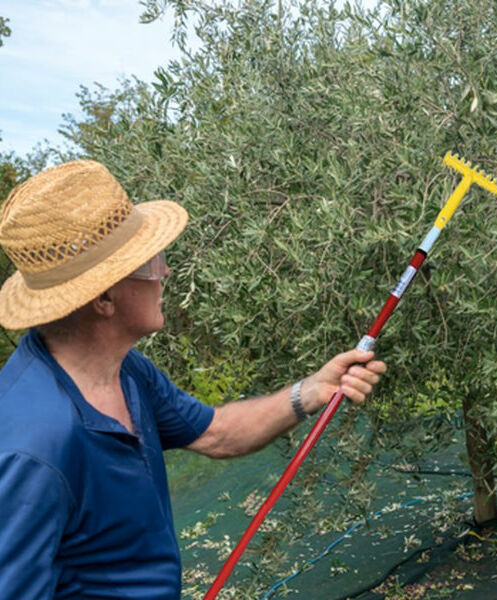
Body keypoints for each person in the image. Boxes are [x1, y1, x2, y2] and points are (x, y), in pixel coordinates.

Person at [0, 160, 386, 599]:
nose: (164, 272)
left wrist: (311, 391)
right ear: (105, 296)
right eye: (150, 261)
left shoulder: (127, 371)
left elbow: (217, 433)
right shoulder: (32, 449)